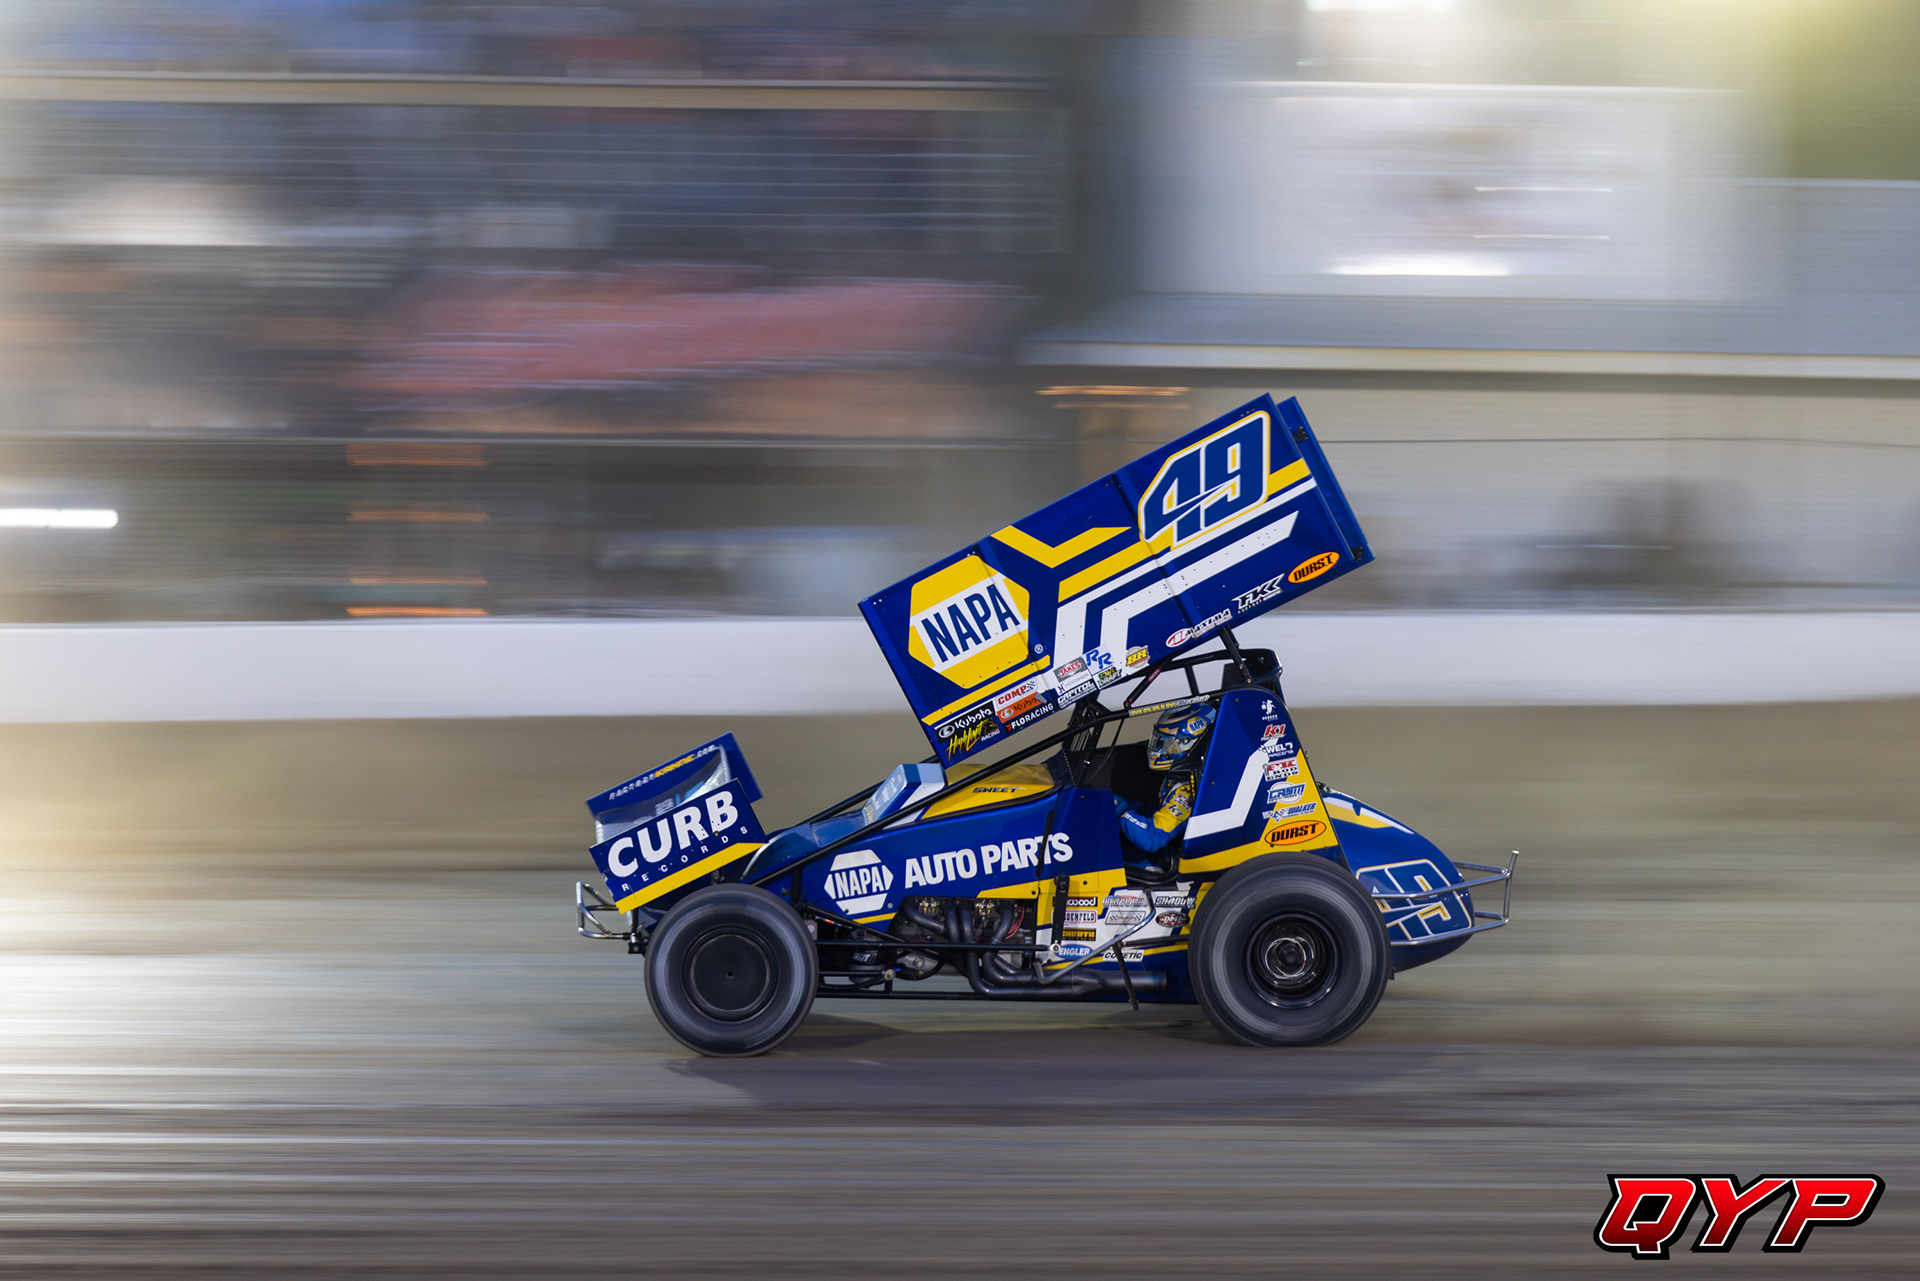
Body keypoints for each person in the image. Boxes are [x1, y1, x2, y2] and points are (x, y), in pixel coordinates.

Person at [1114, 702, 1215, 880]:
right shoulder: (1179, 777)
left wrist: (1121, 812)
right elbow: (1156, 812)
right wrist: (1120, 802)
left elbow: (1152, 838)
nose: (1160, 749)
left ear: (1187, 744)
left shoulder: (1187, 792)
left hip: (1163, 862)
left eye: (1167, 743)